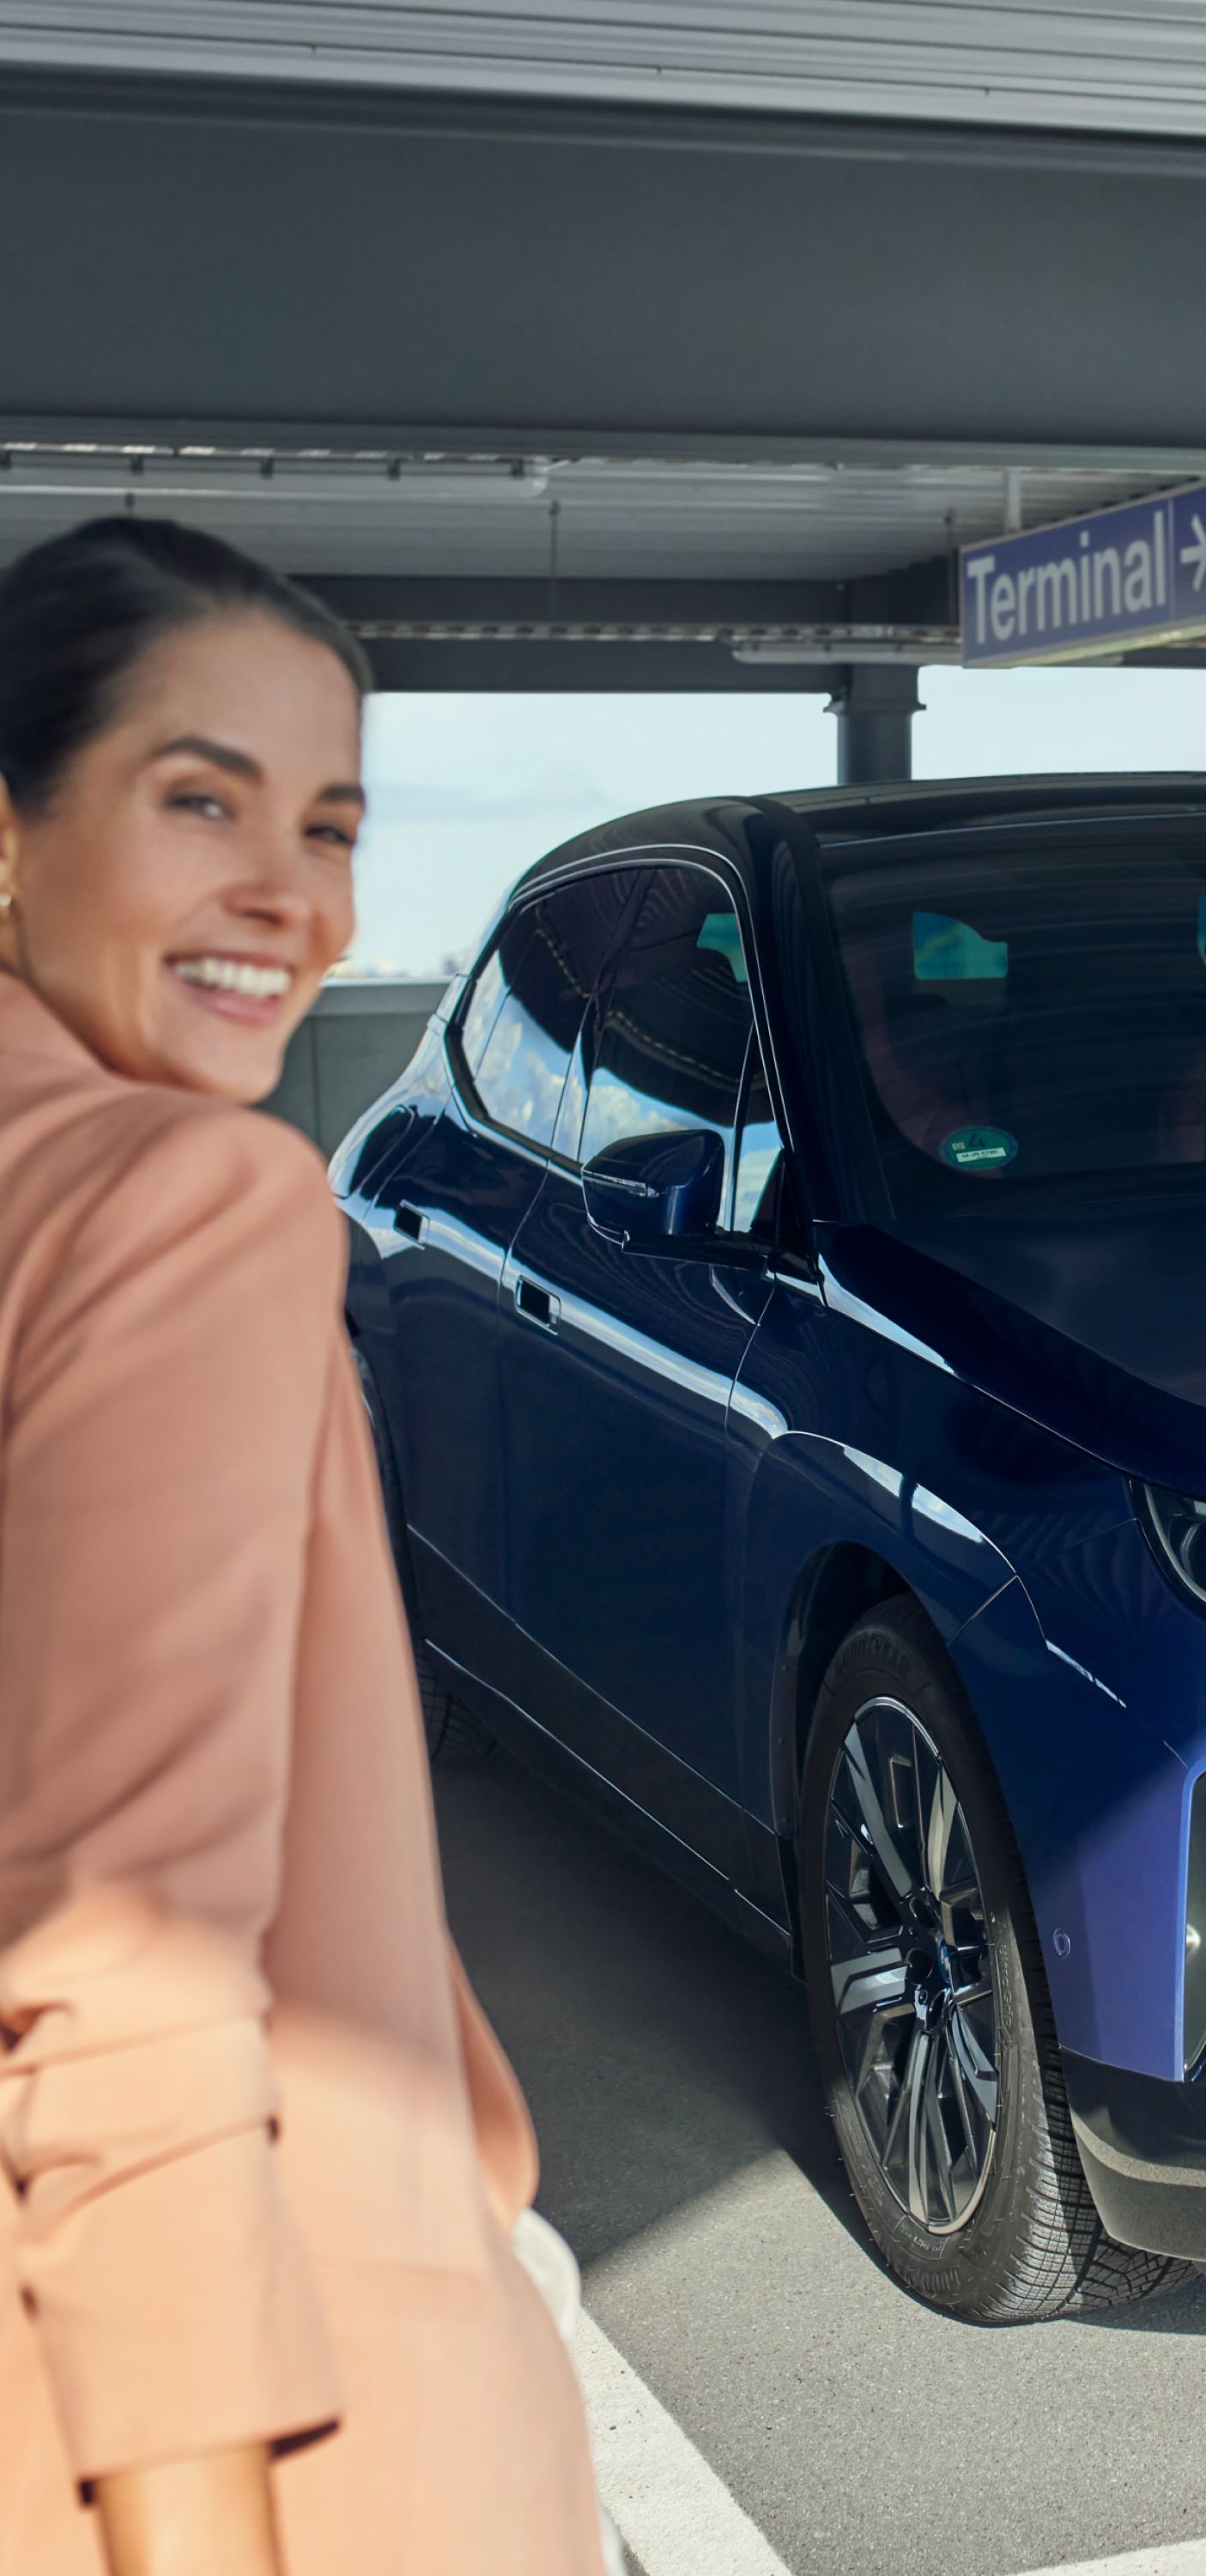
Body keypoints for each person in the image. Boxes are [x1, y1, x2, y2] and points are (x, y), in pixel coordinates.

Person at [0, 519, 609, 2575]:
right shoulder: (180, 1202)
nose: (294, 897)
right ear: (3, 832)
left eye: (332, 826)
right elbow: (122, 1955)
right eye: (201, 802)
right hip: (268, 2429)